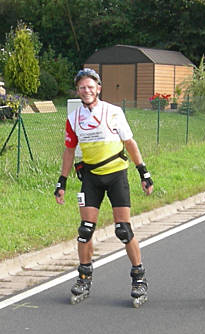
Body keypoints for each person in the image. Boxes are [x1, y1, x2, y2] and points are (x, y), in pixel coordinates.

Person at [54, 68, 153, 305]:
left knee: (123, 230)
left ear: (98, 88)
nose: (86, 91)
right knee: (85, 230)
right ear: (77, 91)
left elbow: (129, 142)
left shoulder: (113, 112)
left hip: (116, 176)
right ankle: (84, 277)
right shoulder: (74, 118)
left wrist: (143, 172)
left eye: (90, 87)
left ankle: (138, 278)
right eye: (82, 88)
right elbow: (69, 151)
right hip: (91, 178)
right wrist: (62, 181)